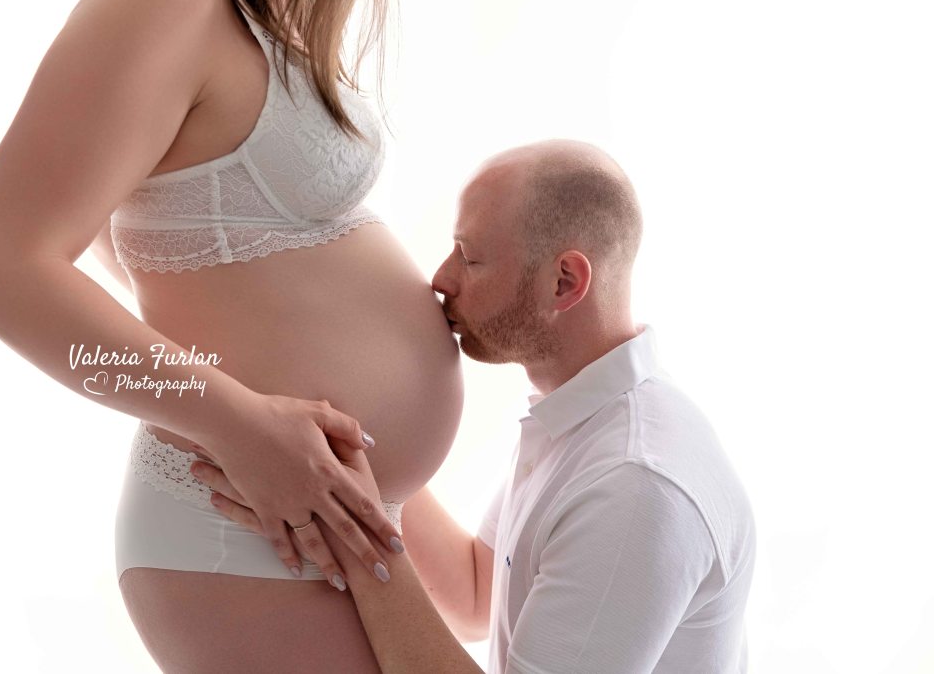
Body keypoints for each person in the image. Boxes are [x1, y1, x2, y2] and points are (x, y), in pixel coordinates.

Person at [0, 0, 464, 670]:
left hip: (314, 503)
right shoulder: (168, 2)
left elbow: (157, 247)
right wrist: (238, 424)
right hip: (242, 525)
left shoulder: (277, 13)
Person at [200, 139, 758, 672]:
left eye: (469, 257)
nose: (441, 278)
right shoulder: (580, 423)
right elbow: (474, 593)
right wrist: (340, 463)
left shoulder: (635, 486)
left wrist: (353, 536)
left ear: (564, 282)